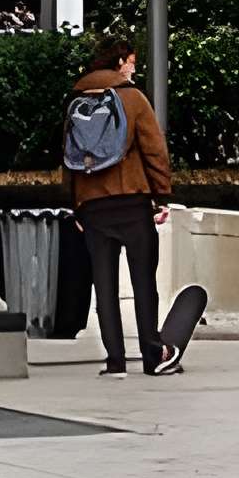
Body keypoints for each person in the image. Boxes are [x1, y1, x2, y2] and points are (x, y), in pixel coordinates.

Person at [64, 37, 174, 376]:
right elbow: (154, 151)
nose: (134, 67)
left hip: (94, 207)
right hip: (132, 201)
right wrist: (162, 195)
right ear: (121, 62)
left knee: (104, 285)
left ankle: (115, 361)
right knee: (144, 282)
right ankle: (153, 355)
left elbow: (67, 157)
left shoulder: (76, 99)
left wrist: (76, 205)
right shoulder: (132, 98)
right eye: (132, 61)